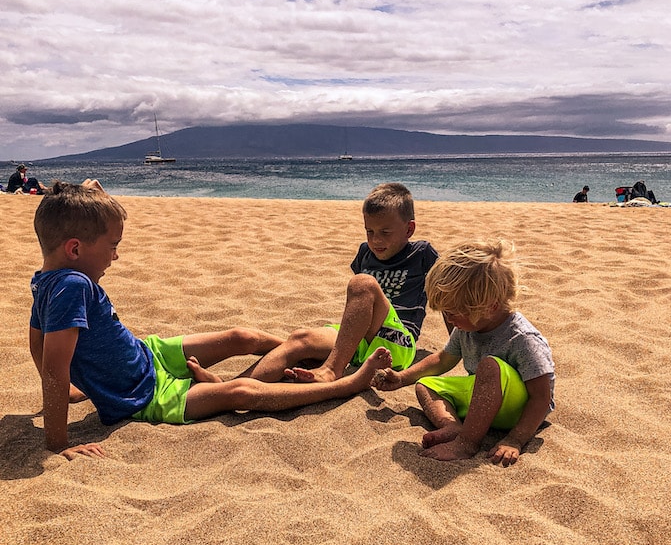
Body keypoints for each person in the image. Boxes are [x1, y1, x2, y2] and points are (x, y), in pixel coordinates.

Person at [29, 182, 392, 460]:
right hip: (146, 396)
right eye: (112, 245)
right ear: (75, 249)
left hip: (147, 355)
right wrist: (58, 443)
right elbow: (53, 365)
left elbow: (36, 339)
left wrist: (77, 389)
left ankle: (302, 354)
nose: (117, 255)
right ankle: (344, 384)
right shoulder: (72, 286)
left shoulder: (47, 279)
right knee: (241, 394)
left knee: (242, 336)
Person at [372, 239, 555, 467]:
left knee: (490, 366)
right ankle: (453, 427)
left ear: (490, 306)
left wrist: (515, 440)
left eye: (453, 313)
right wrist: (402, 378)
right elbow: (442, 360)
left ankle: (466, 443)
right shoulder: (468, 327)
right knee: (426, 385)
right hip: (484, 402)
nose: (448, 320)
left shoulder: (522, 338)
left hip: (518, 412)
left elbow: (542, 398)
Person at [248, 182, 442, 384]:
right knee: (300, 339)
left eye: (385, 233)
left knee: (363, 283)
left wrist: (459, 345)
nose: (375, 240)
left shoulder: (421, 253)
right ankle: (227, 389)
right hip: (358, 335)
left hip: (397, 341)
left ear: (409, 229)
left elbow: (450, 297)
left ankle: (332, 369)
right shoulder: (365, 253)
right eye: (370, 232)